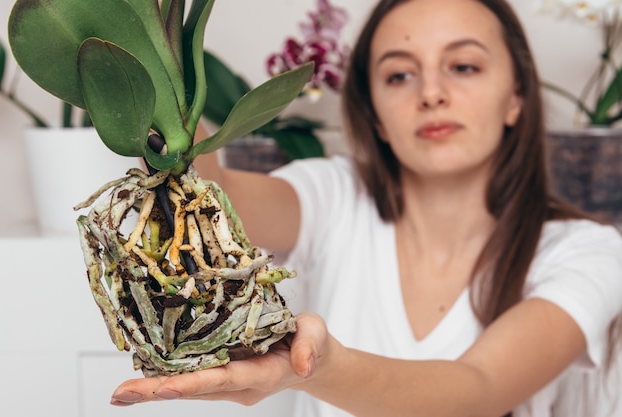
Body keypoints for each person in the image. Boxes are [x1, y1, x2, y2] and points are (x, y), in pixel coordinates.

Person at [110, 0, 622, 416]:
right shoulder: (335, 195)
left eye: (463, 66)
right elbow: (216, 193)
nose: (433, 93)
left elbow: (479, 389)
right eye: (400, 76)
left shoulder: (586, 251)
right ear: (374, 115)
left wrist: (318, 366)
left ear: (516, 98)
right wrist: (153, 71)